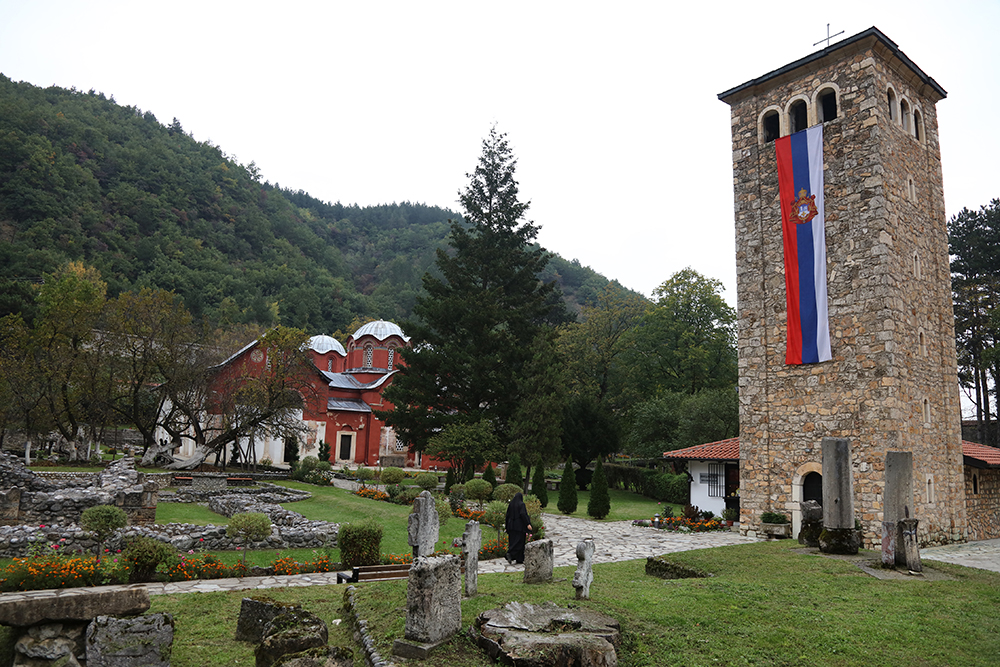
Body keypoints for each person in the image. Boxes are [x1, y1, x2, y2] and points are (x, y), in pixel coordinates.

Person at [505, 491, 532, 564]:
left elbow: (507, 516)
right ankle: (510, 554)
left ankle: (519, 558)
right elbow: (523, 514)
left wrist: (506, 526)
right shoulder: (521, 504)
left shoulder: (511, 504)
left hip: (511, 526)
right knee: (519, 542)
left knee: (513, 541)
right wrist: (528, 524)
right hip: (519, 526)